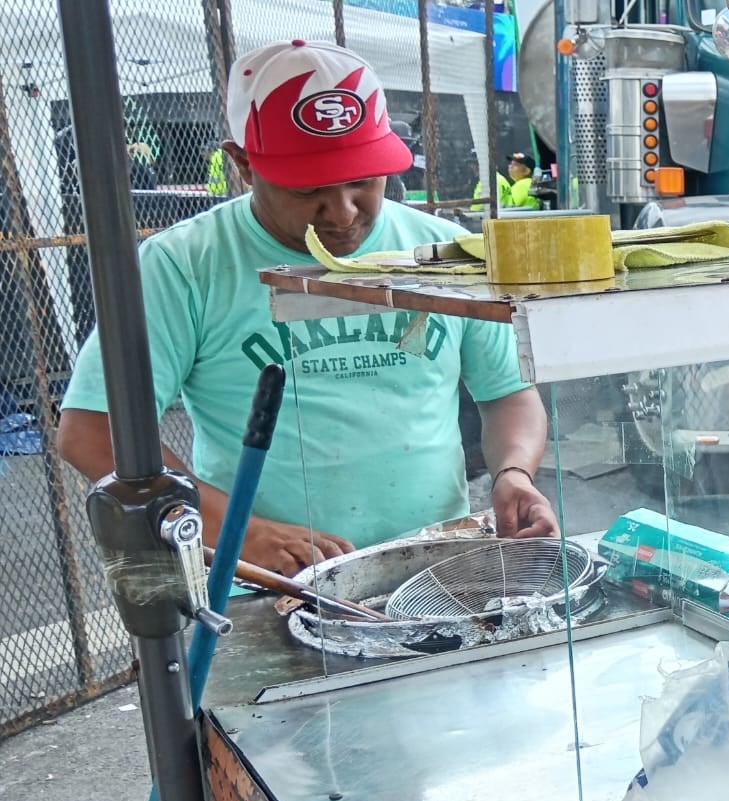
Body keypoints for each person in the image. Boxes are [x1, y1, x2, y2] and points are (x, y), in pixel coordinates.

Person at [59, 39, 556, 574]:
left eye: (363, 180)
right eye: (308, 189)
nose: (343, 212)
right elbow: (91, 430)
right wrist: (241, 533)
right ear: (244, 165)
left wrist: (514, 474)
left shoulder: (442, 251)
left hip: (436, 567)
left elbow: (508, 393)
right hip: (270, 583)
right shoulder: (183, 264)